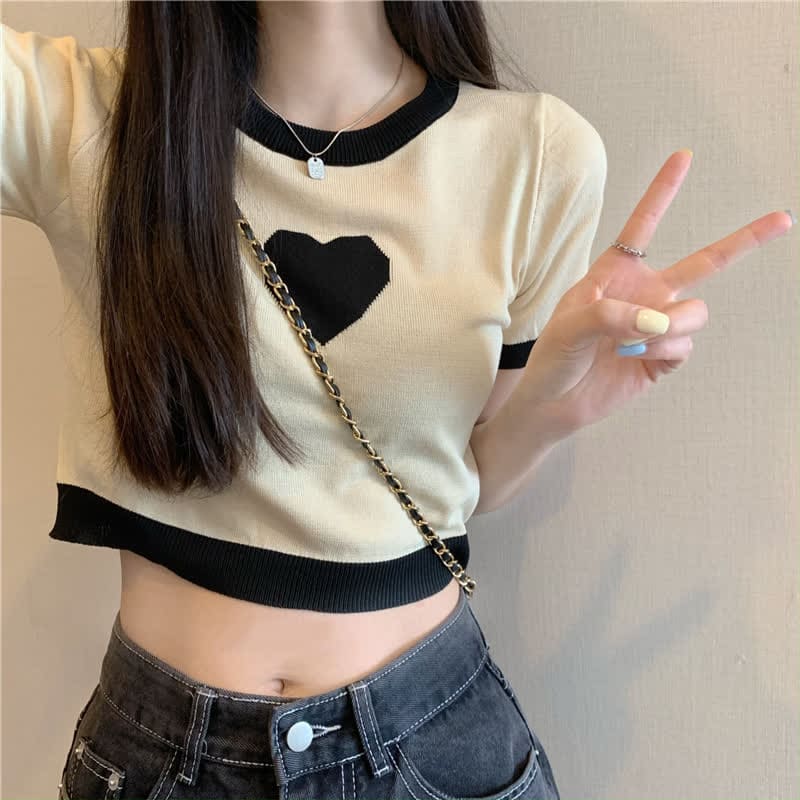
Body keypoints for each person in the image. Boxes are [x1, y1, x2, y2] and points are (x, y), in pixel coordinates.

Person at [2, 2, 794, 799]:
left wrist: (558, 409)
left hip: (435, 745)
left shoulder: (536, 152)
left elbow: (467, 486)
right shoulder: (80, 115)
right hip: (161, 759)